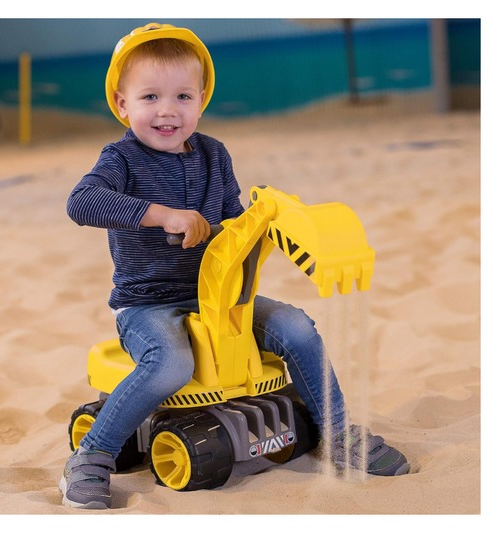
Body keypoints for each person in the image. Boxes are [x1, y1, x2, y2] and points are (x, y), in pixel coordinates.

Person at [60, 23, 410, 510]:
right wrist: (161, 215)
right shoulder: (121, 160)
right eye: (150, 97)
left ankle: (338, 432)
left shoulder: (213, 154)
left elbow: (230, 221)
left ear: (202, 100)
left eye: (183, 96)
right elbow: (81, 203)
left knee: (296, 326)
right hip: (148, 304)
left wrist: (256, 224)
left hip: (218, 296)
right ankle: (92, 455)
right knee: (171, 363)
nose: (167, 110)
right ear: (122, 104)